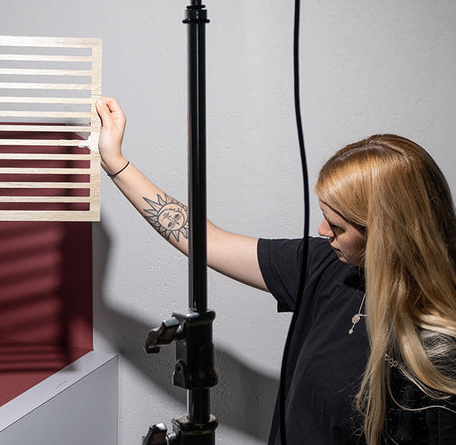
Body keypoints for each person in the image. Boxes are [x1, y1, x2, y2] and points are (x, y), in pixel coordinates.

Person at [96, 96, 456, 444]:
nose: (322, 231)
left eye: (338, 226)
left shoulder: (440, 353)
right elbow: (208, 241)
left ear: (386, 235)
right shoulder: (327, 265)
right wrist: (116, 164)